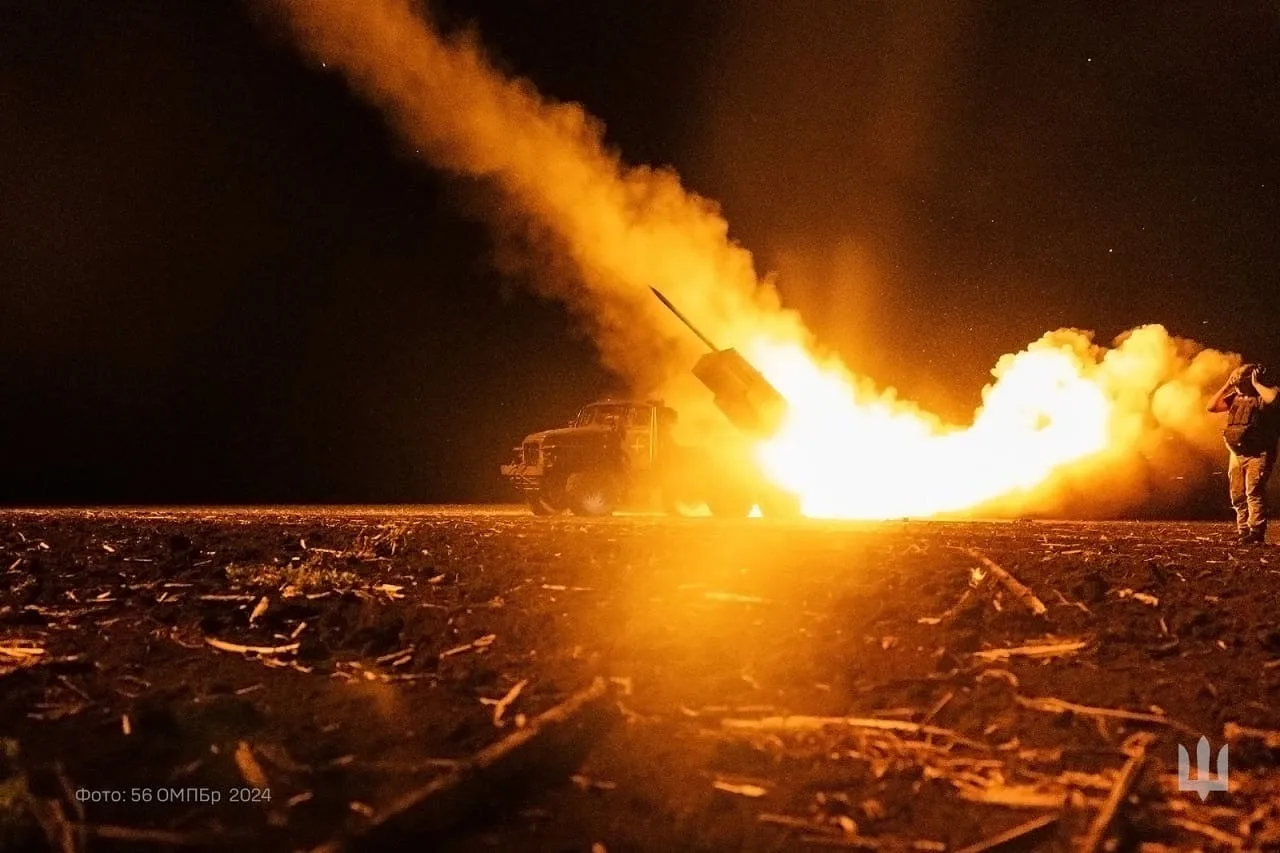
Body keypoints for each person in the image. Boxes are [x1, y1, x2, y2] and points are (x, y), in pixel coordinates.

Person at [1207, 363, 1280, 543]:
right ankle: (1243, 531)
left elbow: (1273, 399)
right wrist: (1226, 385)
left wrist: (1256, 384)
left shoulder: (1266, 394)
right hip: (1237, 453)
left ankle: (1256, 531)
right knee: (1238, 494)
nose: (1238, 384)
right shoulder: (1236, 397)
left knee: (1253, 491)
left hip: (1259, 453)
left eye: (1241, 381)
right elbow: (1211, 407)